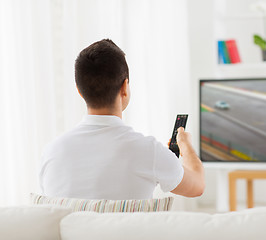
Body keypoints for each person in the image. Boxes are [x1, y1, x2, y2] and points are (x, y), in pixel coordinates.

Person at [39, 39, 205, 200]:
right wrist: (185, 145)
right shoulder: (149, 151)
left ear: (80, 91)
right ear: (124, 87)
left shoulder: (52, 152)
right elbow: (197, 186)